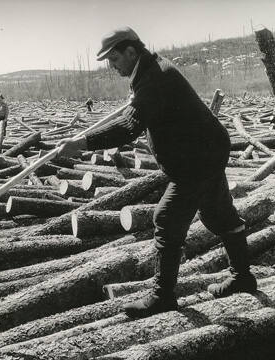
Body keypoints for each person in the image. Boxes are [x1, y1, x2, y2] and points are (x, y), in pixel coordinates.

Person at [58, 27, 257, 318]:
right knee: (218, 215)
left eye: (114, 59)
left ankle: (162, 296)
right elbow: (139, 112)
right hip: (207, 151)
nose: (112, 67)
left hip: (197, 160)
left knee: (165, 218)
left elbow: (129, 127)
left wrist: (82, 142)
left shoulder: (155, 78)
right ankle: (243, 277)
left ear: (131, 51)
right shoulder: (149, 72)